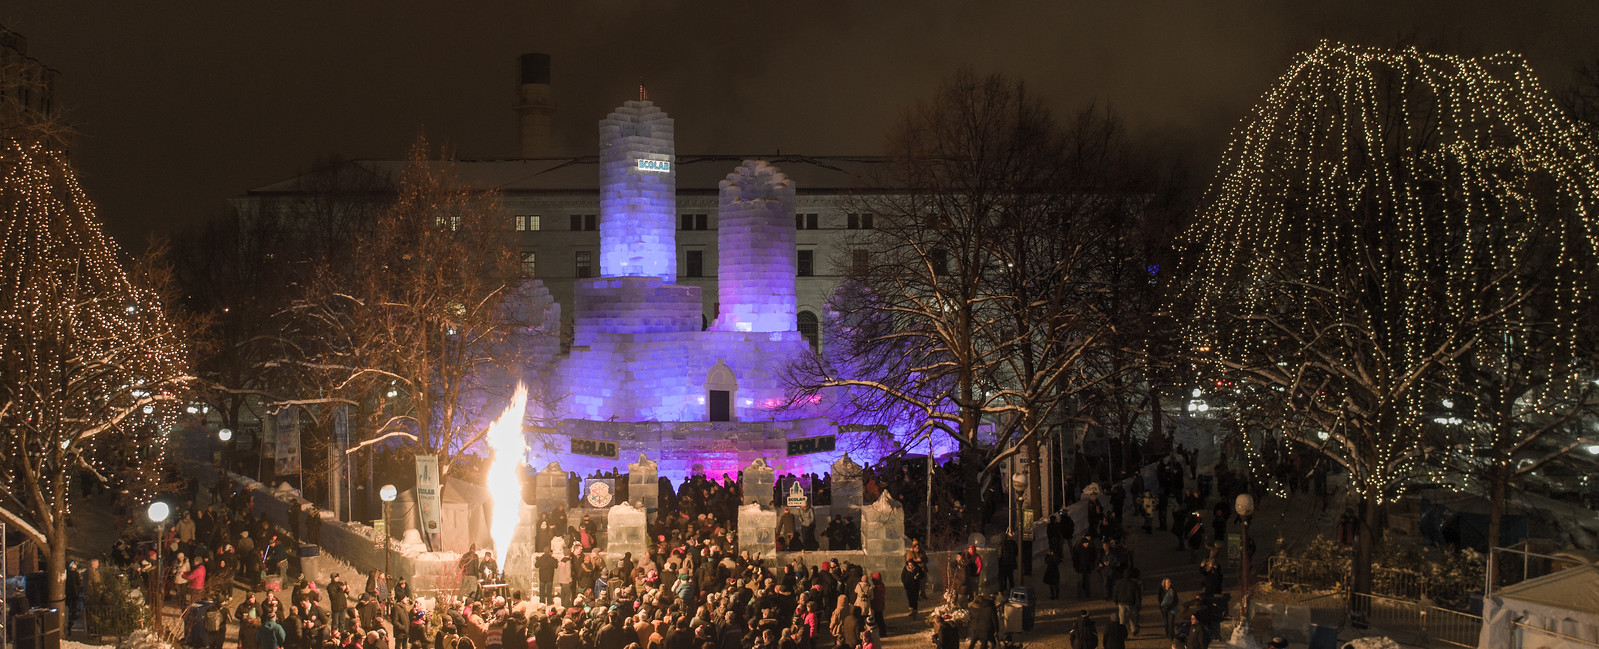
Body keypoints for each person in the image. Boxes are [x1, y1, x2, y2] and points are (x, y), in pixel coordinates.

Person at [1112, 569, 1141, 635]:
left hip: (1121, 602)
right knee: (1132, 616)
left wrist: (1115, 600)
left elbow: (1115, 592)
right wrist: (1138, 602)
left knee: (1122, 617)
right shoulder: (1134, 584)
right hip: (1130, 602)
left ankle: (1122, 631)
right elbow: (1137, 595)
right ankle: (1133, 629)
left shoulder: (1118, 583)